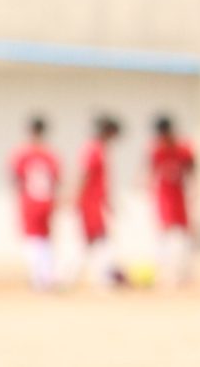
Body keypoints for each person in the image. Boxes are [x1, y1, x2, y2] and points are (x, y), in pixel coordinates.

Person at [11, 116, 62, 293]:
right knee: (45, 239)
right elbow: (57, 179)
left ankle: (39, 278)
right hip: (47, 201)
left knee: (32, 240)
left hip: (30, 201)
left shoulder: (22, 154)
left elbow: (15, 178)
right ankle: (48, 276)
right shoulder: (50, 154)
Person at [147, 115, 198, 288]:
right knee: (165, 233)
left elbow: (193, 168)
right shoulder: (156, 149)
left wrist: (195, 189)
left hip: (180, 195)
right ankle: (164, 272)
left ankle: (184, 273)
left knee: (184, 234)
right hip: (164, 196)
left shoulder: (183, 148)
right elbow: (150, 170)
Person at [75, 114, 125, 288]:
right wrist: (77, 197)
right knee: (97, 239)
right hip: (90, 202)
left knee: (95, 240)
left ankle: (102, 276)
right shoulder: (94, 149)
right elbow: (84, 174)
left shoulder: (101, 149)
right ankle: (103, 277)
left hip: (96, 202)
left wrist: (108, 202)